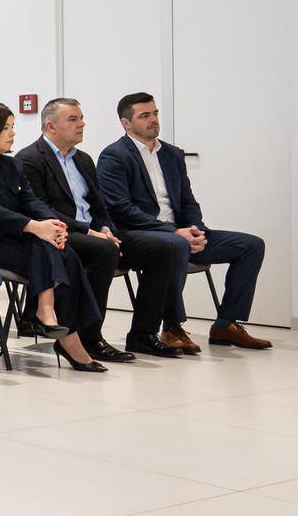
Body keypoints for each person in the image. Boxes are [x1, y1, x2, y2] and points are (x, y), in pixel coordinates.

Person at [97, 92, 269, 351]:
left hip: (180, 233)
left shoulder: (172, 154)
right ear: (126, 123)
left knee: (251, 245)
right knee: (175, 245)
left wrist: (196, 229)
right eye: (145, 115)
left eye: (155, 113)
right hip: (139, 234)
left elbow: (188, 201)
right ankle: (172, 327)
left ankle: (226, 325)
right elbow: (121, 209)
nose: (153, 120)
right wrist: (174, 231)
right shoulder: (114, 156)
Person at [0, 101, 106, 371]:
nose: (12, 133)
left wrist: (54, 225)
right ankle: (49, 317)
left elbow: (31, 201)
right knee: (45, 245)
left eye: (12, 127)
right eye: (5, 128)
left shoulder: (11, 165)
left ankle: (53, 320)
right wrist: (35, 227)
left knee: (66, 254)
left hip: (13, 237)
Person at [17, 98, 180, 359]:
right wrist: (88, 232)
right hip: (60, 233)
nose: (81, 124)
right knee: (104, 251)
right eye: (73, 119)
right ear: (50, 126)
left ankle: (143, 334)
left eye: (81, 118)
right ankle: (88, 337)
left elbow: (99, 204)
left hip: (94, 233)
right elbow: (41, 209)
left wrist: (104, 228)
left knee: (162, 250)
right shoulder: (30, 159)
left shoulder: (83, 159)